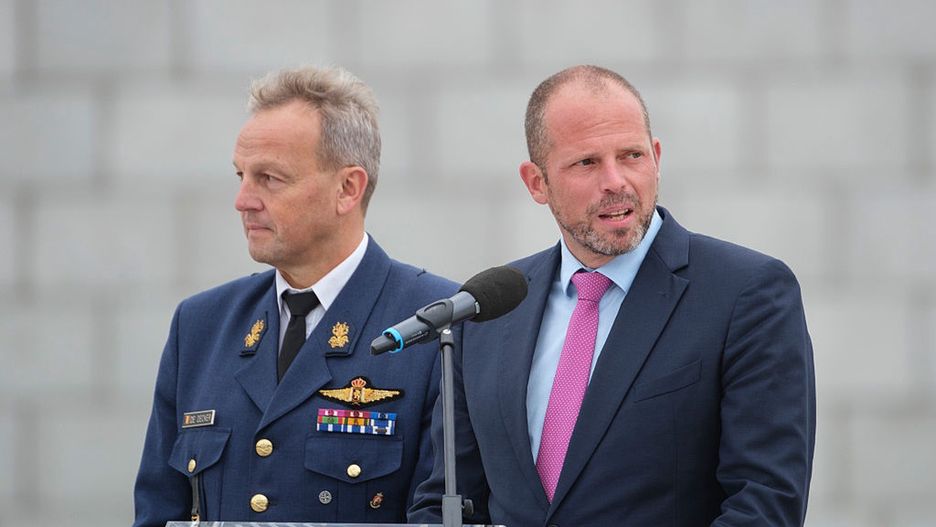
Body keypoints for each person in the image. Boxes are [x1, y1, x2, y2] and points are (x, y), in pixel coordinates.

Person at [409, 65, 816, 526]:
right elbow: (445, 504)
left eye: (631, 156)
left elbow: (764, 506)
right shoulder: (488, 310)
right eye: (587, 162)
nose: (616, 181)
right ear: (536, 182)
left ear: (657, 158)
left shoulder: (748, 294)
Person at [133, 66, 456, 525]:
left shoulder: (436, 325)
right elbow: (158, 510)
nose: (243, 200)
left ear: (348, 188)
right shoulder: (201, 326)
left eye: (270, 178)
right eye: (241, 175)